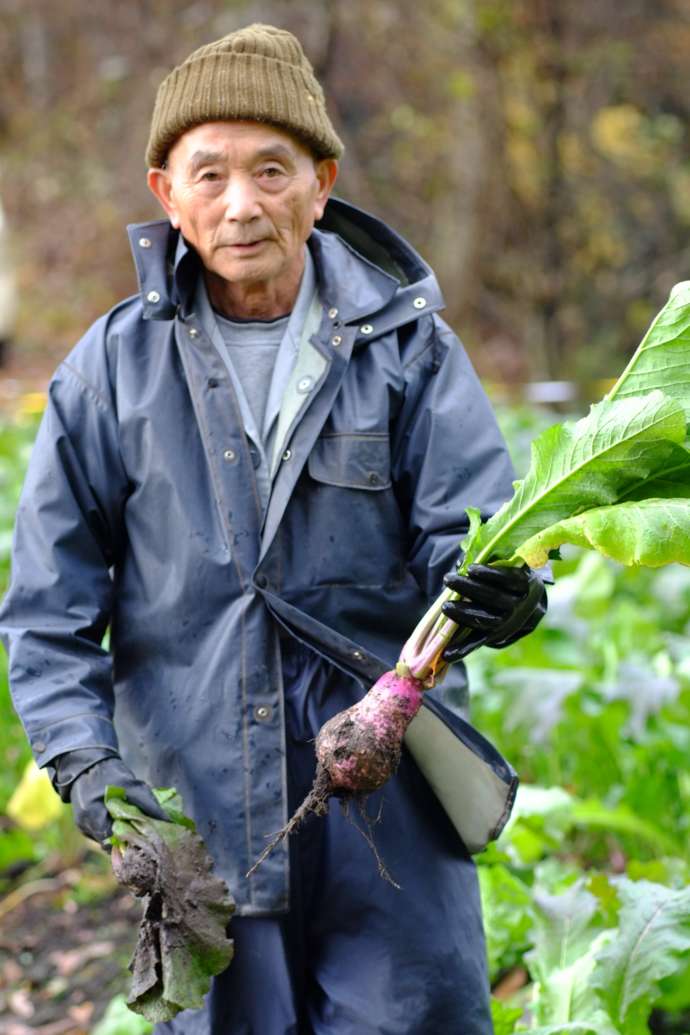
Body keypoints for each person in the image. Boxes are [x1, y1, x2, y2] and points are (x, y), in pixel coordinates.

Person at [0, 24, 546, 1034]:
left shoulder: (409, 351)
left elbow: (471, 546)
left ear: (322, 180)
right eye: (209, 174)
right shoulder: (107, 374)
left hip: (390, 803)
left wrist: (505, 596)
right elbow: (46, 616)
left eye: (271, 169)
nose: (241, 204)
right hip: (194, 814)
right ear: (167, 193)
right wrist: (95, 779)